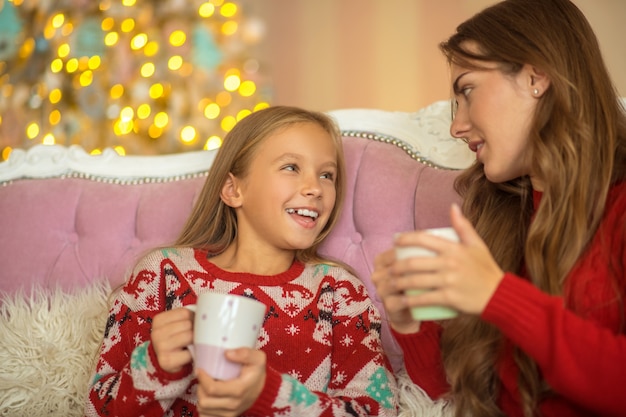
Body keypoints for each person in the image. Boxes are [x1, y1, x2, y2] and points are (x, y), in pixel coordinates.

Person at [371, 0, 626, 416]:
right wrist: (408, 322)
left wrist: (498, 296)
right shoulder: (499, 214)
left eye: (467, 91)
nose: (456, 125)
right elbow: (452, 390)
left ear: (535, 77)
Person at [85, 106, 398, 417]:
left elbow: (377, 410)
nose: (315, 188)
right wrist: (155, 367)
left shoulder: (340, 292)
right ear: (234, 190)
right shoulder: (162, 275)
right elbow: (97, 409)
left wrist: (270, 395)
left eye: (327, 175)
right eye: (291, 167)